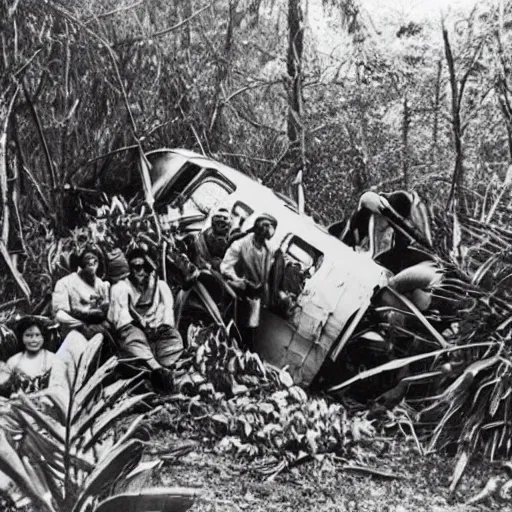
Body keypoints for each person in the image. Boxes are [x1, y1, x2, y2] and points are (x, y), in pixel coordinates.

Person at [108, 247, 183, 392]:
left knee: (172, 344)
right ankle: (155, 371)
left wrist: (160, 326)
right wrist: (142, 326)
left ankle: (161, 370)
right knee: (134, 347)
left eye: (143, 267)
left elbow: (168, 312)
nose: (140, 271)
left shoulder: (159, 285)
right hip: (137, 335)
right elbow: (123, 317)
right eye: (135, 267)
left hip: (160, 333)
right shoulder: (123, 287)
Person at [220, 213, 278, 349]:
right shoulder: (240, 244)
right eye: (266, 227)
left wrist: (265, 295)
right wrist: (239, 281)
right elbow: (225, 267)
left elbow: (266, 276)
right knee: (229, 331)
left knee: (247, 335)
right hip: (237, 296)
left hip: (254, 299)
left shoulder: (268, 251)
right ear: (258, 227)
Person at [52, 245, 111, 339]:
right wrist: (82, 326)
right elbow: (60, 315)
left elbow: (104, 312)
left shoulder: (101, 284)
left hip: (99, 331)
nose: (91, 259)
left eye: (95, 257)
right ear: (80, 262)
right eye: (87, 257)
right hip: (74, 332)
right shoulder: (65, 283)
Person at [4, 316, 66, 395]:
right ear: (21, 337)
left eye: (37, 335)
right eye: (28, 335)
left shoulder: (54, 360)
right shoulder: (13, 362)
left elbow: (59, 391)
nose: (33, 340)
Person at [182, 206, 232, 272]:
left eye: (224, 218)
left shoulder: (229, 241)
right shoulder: (207, 232)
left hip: (208, 267)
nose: (221, 219)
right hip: (197, 258)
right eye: (218, 217)